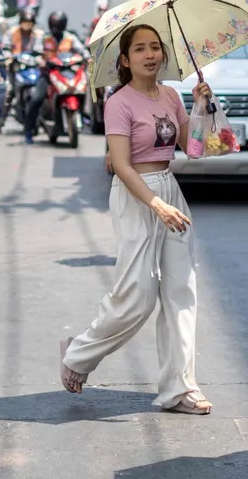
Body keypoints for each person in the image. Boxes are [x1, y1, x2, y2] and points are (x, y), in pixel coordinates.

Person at [59, 23, 214, 415]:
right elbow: (122, 166)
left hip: (170, 189)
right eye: (141, 49)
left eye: (156, 47)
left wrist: (200, 106)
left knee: (182, 291)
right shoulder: (120, 103)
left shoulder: (171, 96)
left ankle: (180, 388)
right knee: (138, 296)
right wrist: (154, 205)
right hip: (136, 196)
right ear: (125, 60)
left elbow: (193, 147)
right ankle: (78, 353)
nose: (150, 55)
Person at [22, 11, 86, 144]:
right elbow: (36, 52)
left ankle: (84, 118)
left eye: (59, 25)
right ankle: (28, 131)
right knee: (36, 99)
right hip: (48, 74)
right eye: (55, 26)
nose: (57, 29)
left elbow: (82, 51)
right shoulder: (44, 38)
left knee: (83, 90)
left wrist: (88, 58)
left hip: (67, 73)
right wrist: (40, 60)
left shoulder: (70, 38)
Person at [3, 9, 45, 117]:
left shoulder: (38, 34)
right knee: (8, 91)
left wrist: (40, 58)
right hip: (15, 66)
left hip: (31, 67)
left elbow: (40, 50)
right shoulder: (12, 32)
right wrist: (9, 56)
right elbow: (5, 47)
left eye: (29, 23)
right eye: (25, 22)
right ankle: (3, 117)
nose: (27, 25)